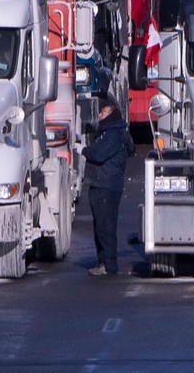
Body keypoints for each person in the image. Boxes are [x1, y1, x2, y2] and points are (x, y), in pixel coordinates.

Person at [82, 101, 134, 276]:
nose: (99, 116)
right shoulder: (111, 133)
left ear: (110, 114)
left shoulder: (112, 135)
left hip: (106, 185)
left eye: (102, 113)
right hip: (103, 184)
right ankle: (104, 261)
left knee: (106, 227)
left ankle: (109, 264)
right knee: (101, 226)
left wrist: (84, 150)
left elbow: (98, 154)